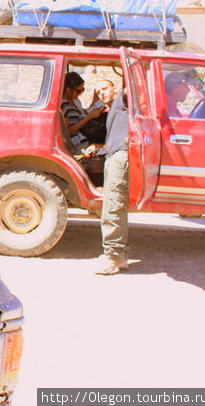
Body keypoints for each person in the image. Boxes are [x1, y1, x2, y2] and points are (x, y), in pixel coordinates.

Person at [94, 89, 130, 275]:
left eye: (105, 88)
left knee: (114, 205)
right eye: (98, 91)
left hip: (119, 156)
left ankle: (114, 256)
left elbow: (132, 87)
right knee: (113, 204)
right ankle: (116, 255)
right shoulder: (115, 110)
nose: (101, 93)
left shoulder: (122, 100)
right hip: (115, 155)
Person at [61, 72, 105, 150]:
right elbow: (67, 132)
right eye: (78, 91)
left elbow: (81, 115)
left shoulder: (75, 101)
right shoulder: (63, 105)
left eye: (82, 90)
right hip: (77, 142)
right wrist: (89, 117)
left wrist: (94, 102)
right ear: (68, 89)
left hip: (86, 136)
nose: (80, 93)